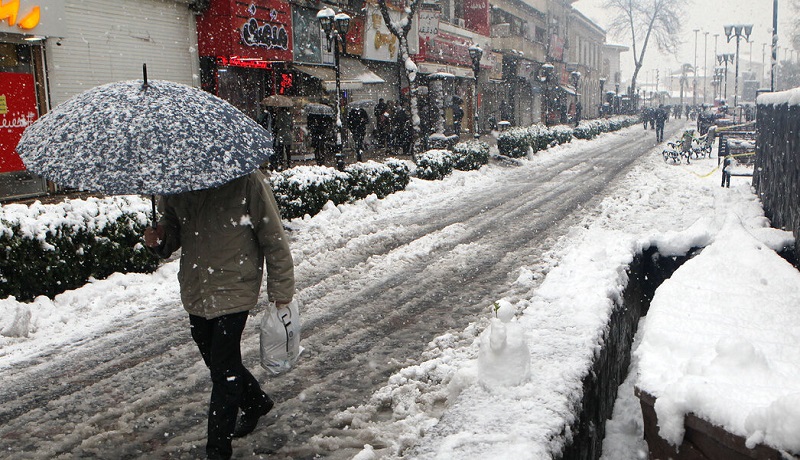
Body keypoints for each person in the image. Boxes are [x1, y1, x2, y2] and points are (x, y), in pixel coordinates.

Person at [144, 171, 295, 460]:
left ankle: (217, 450)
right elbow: (173, 228)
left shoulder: (246, 179)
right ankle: (255, 402)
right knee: (215, 358)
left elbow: (272, 234)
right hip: (197, 288)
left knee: (224, 368)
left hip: (234, 284)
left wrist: (281, 289)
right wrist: (160, 238)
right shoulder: (176, 180)